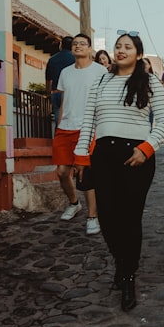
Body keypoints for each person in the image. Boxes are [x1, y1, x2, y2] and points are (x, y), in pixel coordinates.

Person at [73, 30, 164, 311]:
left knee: (129, 218)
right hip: (103, 155)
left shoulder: (150, 82)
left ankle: (128, 275)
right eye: (118, 46)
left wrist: (146, 149)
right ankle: (121, 260)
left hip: (136, 156)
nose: (121, 50)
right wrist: (81, 157)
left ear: (138, 54)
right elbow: (88, 122)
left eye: (128, 47)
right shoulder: (101, 81)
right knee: (106, 216)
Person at [54, 33, 108, 235]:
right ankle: (74, 203)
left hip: (88, 128)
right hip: (65, 128)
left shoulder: (100, 71)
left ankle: (92, 216)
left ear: (89, 48)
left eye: (82, 44)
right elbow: (63, 102)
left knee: (86, 174)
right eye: (75, 44)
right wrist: (58, 126)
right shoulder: (65, 72)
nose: (78, 46)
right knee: (61, 171)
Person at [46, 36, 75, 127]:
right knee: (72, 123)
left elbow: (48, 79)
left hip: (56, 93)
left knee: (59, 122)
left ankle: (58, 139)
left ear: (61, 45)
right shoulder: (75, 59)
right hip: (71, 94)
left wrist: (48, 94)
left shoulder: (52, 59)